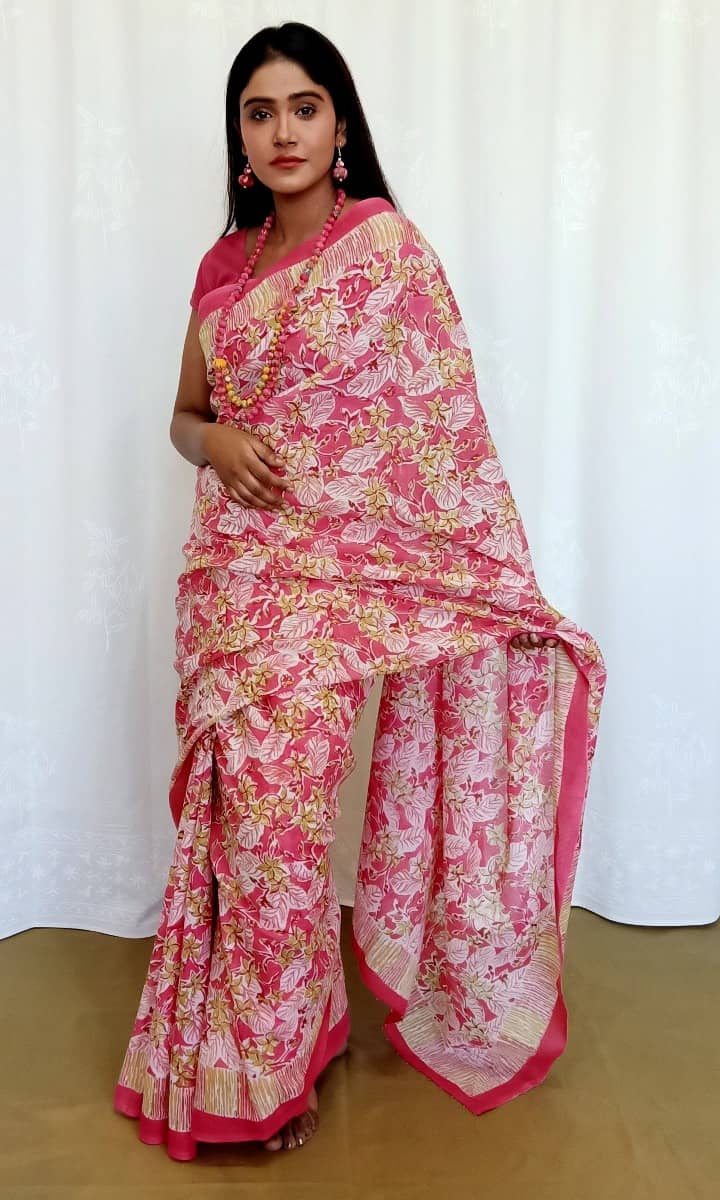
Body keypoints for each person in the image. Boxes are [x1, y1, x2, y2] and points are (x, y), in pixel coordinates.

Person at [113, 21, 606, 1161]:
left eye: (304, 107)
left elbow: (437, 431)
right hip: (234, 585)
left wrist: (487, 581)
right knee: (244, 835)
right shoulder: (224, 267)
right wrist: (214, 440)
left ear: (340, 126)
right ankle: (270, 1052)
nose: (282, 131)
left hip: (337, 595)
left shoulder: (384, 251)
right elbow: (183, 417)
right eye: (259, 112)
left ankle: (276, 1064)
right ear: (239, 137)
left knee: (286, 834)